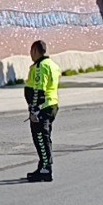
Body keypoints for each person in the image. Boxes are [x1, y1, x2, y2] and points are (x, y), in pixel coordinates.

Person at [24, 40, 61, 182]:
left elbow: (40, 89)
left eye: (31, 52)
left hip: (43, 108)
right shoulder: (53, 65)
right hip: (52, 105)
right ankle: (43, 166)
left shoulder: (41, 66)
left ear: (35, 51)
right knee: (45, 137)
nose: (30, 55)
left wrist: (35, 110)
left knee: (40, 138)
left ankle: (46, 169)